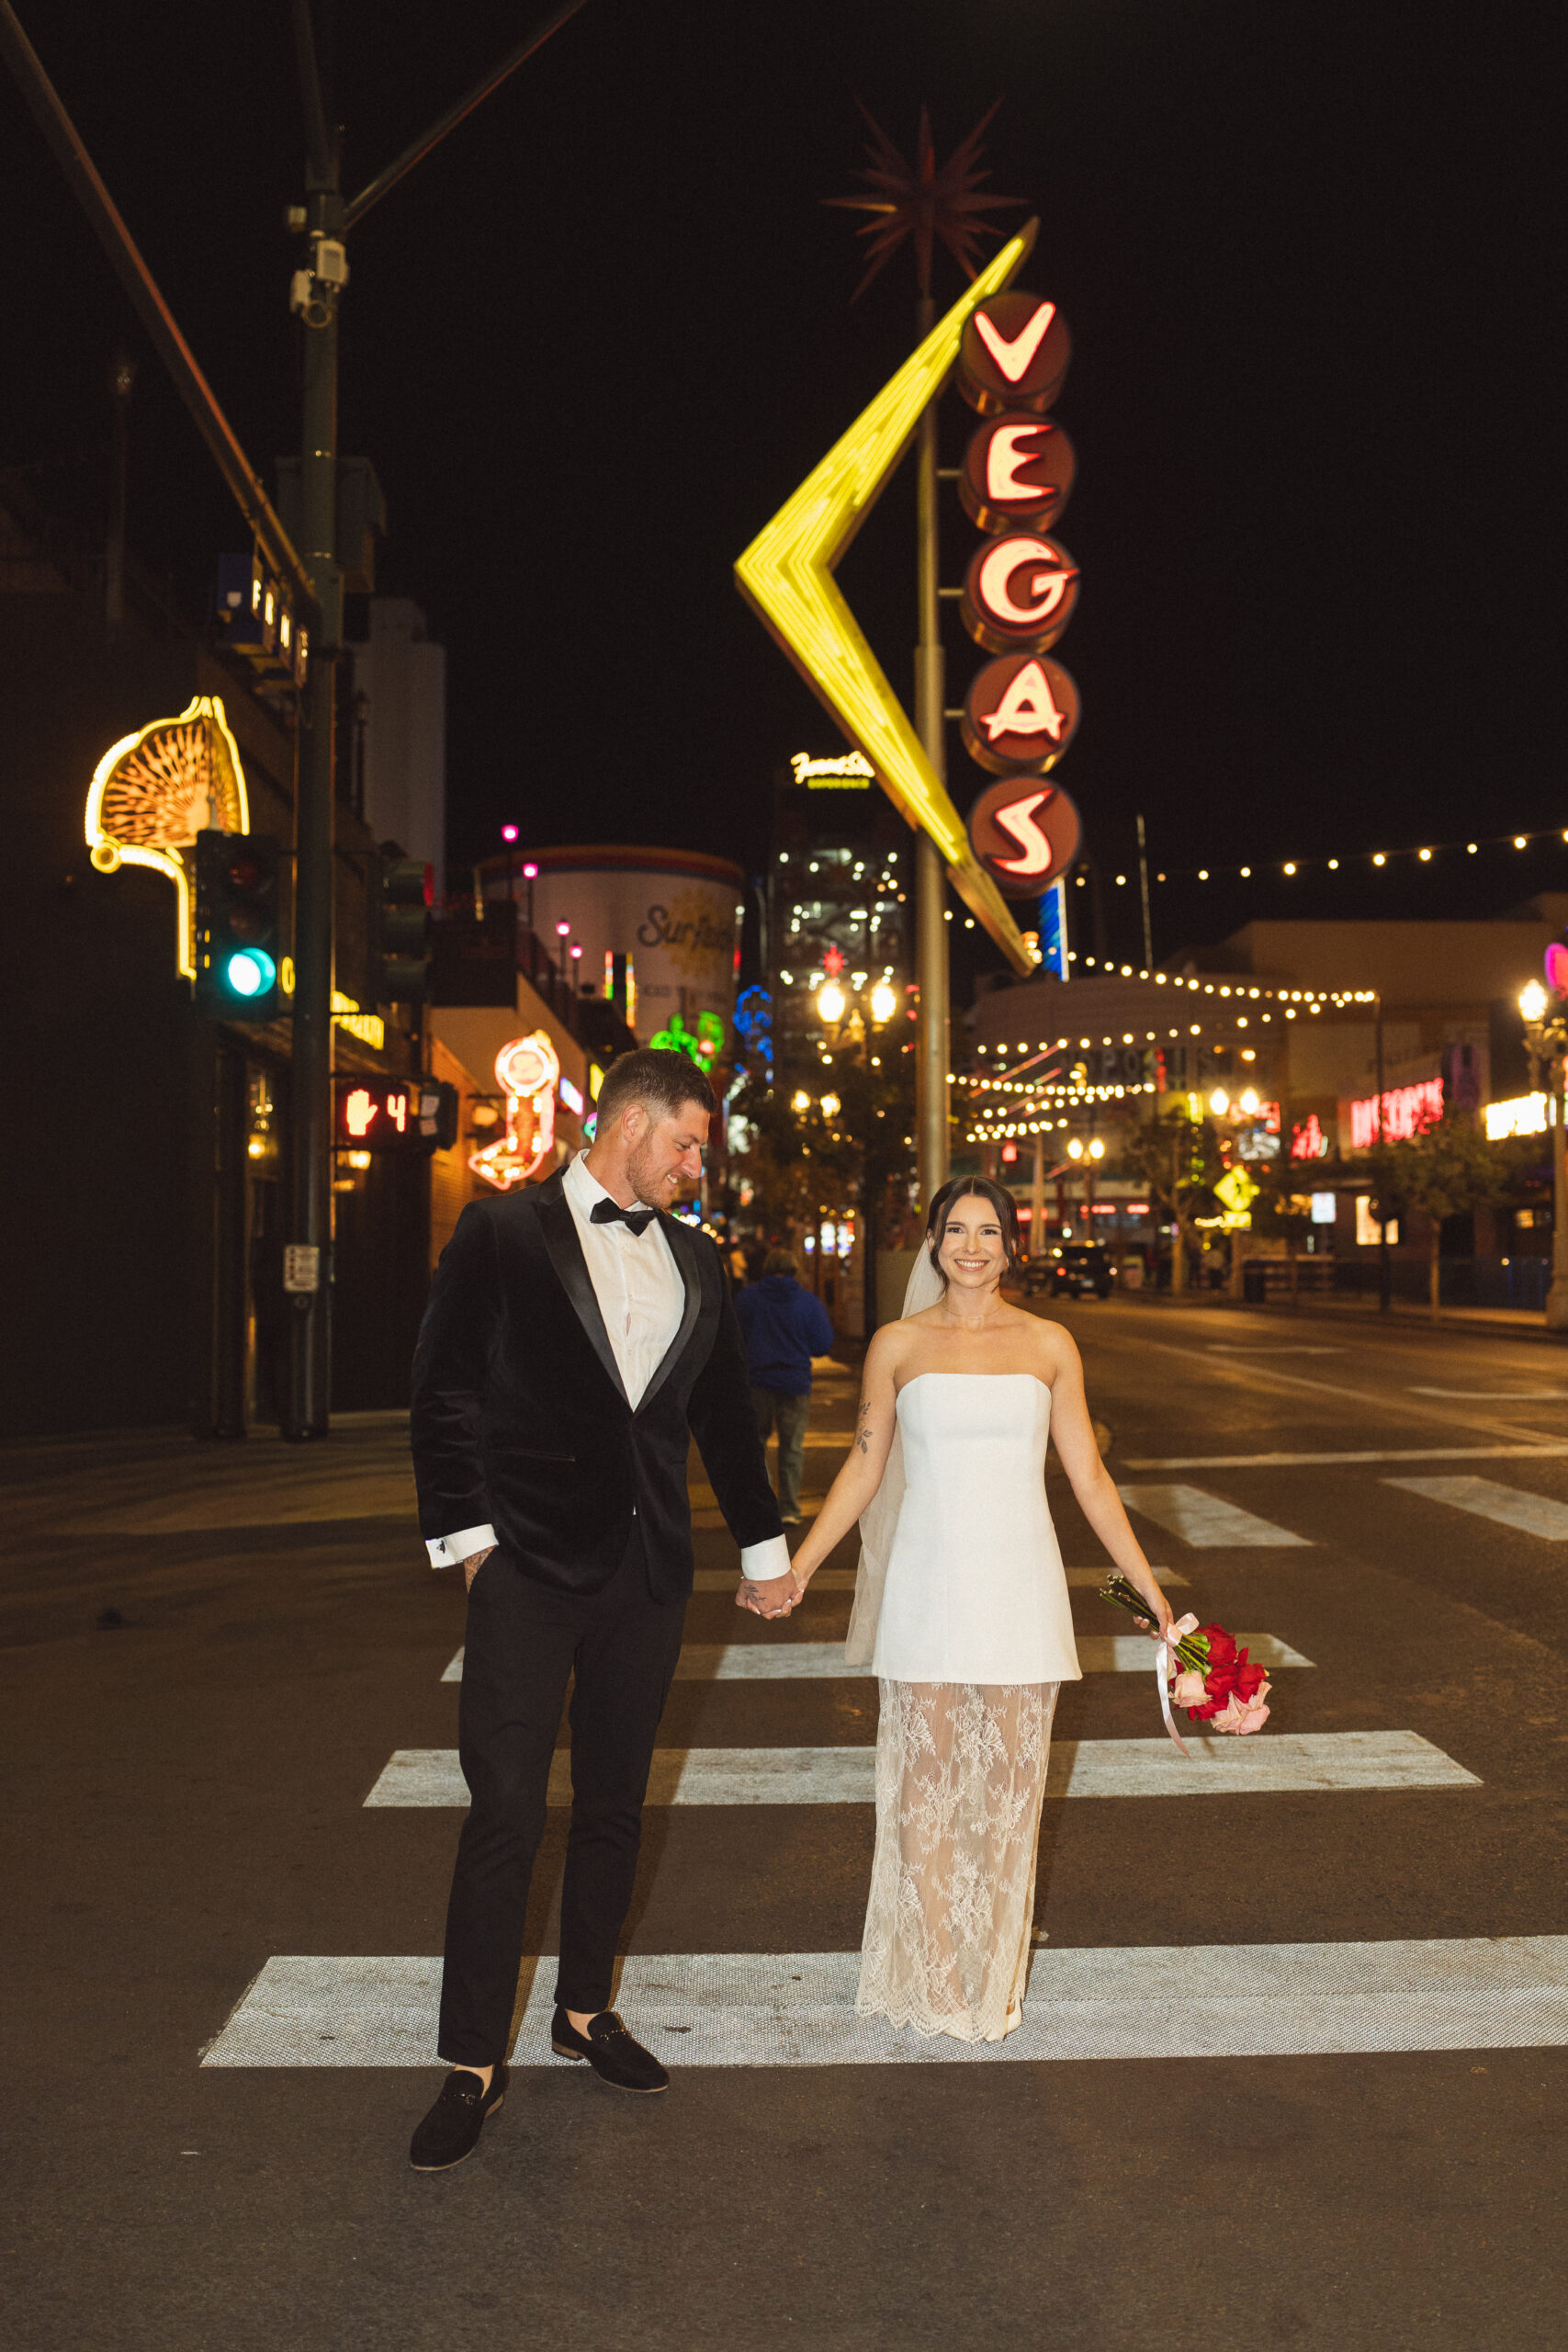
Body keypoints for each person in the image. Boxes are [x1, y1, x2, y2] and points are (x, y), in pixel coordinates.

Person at [406, 1047, 798, 2171]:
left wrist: (763, 1547)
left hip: (648, 1572)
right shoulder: (501, 1230)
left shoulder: (697, 1257)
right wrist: (472, 1544)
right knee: (506, 1811)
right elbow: (443, 1390)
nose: (694, 1168)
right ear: (628, 1124)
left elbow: (723, 1415)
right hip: (526, 1568)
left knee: (617, 1803)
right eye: (686, 1145)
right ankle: (471, 2061)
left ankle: (584, 2011)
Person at [768, 1175, 1171, 2044]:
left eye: (988, 1232)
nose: (972, 1247)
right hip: (927, 1583)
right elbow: (864, 1466)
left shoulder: (1050, 1344)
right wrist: (799, 1568)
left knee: (1011, 1796)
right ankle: (941, 1973)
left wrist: (1148, 1588)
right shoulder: (896, 1345)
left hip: (1020, 1586)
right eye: (956, 1230)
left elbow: (1088, 1478)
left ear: (1010, 1246)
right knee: (926, 1790)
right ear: (933, 1242)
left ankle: (994, 1974)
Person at [734, 1248, 836, 1526]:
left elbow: (735, 1337)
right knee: (791, 1448)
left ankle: (764, 1508)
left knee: (757, 1445)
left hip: (757, 1381)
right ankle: (789, 1508)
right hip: (795, 1382)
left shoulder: (748, 1298)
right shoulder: (808, 1302)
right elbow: (823, 1344)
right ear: (794, 1270)